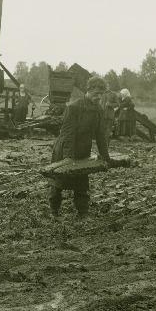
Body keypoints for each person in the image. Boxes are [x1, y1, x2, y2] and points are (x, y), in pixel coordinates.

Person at [48, 76, 111, 219]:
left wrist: (106, 157)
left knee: (82, 183)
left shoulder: (99, 110)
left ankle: (83, 213)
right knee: (58, 182)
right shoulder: (74, 107)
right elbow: (67, 134)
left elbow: (101, 136)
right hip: (64, 149)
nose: (99, 96)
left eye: (101, 94)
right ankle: (54, 212)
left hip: (83, 151)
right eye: (96, 93)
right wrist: (68, 158)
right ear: (88, 91)